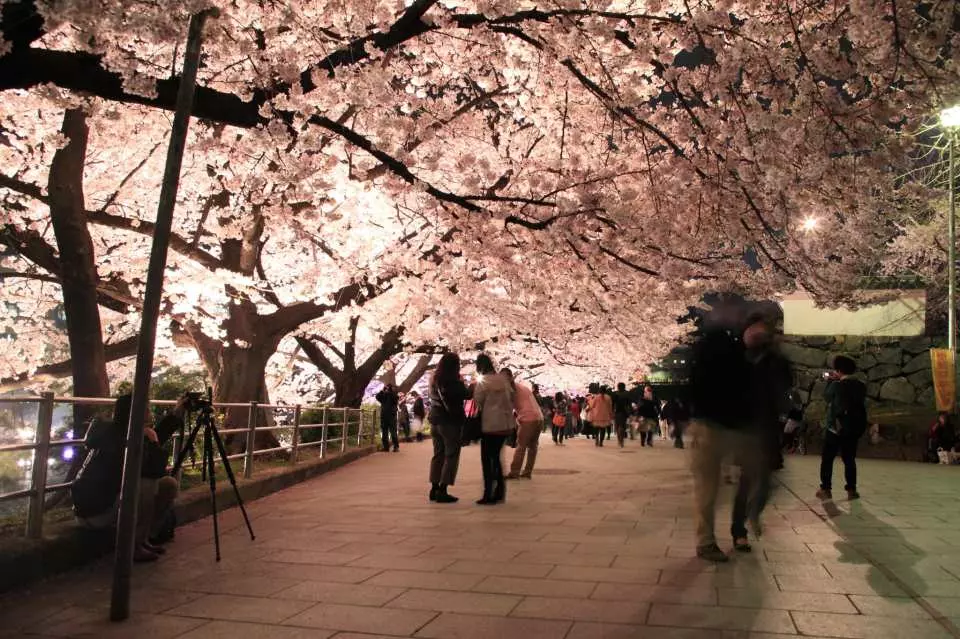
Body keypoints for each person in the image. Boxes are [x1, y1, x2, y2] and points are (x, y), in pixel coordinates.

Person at [688, 311, 775, 562]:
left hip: (728, 427)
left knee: (724, 483)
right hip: (718, 426)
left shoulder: (751, 356)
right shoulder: (729, 355)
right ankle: (711, 540)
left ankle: (732, 529)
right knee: (710, 487)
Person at [72, 393, 182, 562]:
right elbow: (154, 469)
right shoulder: (121, 439)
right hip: (96, 513)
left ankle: (142, 539)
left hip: (106, 503)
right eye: (146, 407)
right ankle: (132, 546)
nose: (149, 410)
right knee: (147, 484)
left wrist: (176, 414)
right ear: (135, 411)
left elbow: (153, 444)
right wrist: (153, 442)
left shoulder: (122, 432)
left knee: (167, 484)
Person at [817, 355, 868, 501]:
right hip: (852, 428)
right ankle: (852, 489)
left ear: (838, 370)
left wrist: (830, 382)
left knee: (827, 459)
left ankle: (825, 488)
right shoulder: (860, 385)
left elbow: (827, 397)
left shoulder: (836, 385)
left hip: (835, 428)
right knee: (849, 459)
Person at [473, 354, 516, 504]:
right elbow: (512, 396)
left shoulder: (483, 382)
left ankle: (488, 493)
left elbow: (478, 401)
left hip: (490, 425)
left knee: (487, 459)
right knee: (496, 458)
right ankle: (500, 491)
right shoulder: (503, 380)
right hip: (504, 425)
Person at [428, 353, 469, 503]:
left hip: (434, 420)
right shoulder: (452, 381)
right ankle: (443, 490)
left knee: (438, 454)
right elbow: (467, 395)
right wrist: (470, 385)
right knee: (451, 455)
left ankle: (433, 488)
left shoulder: (434, 379)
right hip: (449, 422)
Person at [504, 369, 544, 479]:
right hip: (539, 418)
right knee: (532, 446)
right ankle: (527, 472)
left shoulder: (511, 389)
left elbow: (508, 407)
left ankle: (514, 472)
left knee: (521, 446)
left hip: (528, 419)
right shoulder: (522, 387)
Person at [375, 383, 400, 452]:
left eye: (389, 388)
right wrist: (382, 390)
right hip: (385, 416)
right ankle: (386, 447)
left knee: (393, 432)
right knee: (384, 432)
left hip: (391, 416)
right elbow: (377, 397)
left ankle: (396, 446)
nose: (387, 389)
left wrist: (390, 391)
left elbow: (396, 398)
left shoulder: (394, 395)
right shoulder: (384, 395)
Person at [612, 382, 632, 447]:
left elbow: (613, 403)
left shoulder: (615, 393)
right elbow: (629, 403)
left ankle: (619, 440)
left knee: (618, 427)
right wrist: (631, 411)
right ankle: (621, 440)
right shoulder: (627, 393)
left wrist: (612, 411)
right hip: (624, 412)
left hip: (617, 411)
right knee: (622, 426)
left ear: (618, 387)